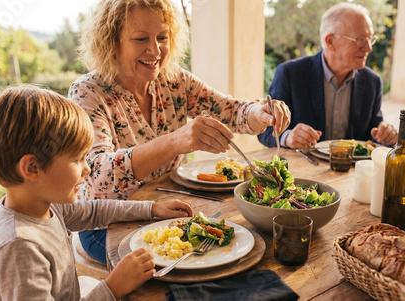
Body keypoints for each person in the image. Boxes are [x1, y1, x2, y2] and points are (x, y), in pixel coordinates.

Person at [68, 0, 290, 264]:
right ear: (111, 41)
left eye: (163, 37)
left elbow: (230, 111)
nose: (155, 50)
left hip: (170, 210)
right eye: (140, 39)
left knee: (244, 248)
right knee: (202, 263)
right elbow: (99, 176)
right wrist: (175, 142)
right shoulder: (88, 93)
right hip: (106, 224)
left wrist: (259, 113)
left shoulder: (175, 80)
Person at [0, 85, 193, 300]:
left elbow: (94, 211)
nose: (87, 168)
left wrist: (153, 209)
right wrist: (113, 287)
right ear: (32, 168)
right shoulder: (19, 249)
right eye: (77, 159)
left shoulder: (43, 205)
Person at [258, 2, 398, 150]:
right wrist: (288, 137)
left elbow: (374, 137)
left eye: (370, 39)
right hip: (303, 171)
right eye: (360, 39)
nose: (368, 48)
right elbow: (265, 130)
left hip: (352, 172)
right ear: (330, 41)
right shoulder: (290, 74)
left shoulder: (372, 82)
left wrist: (385, 136)